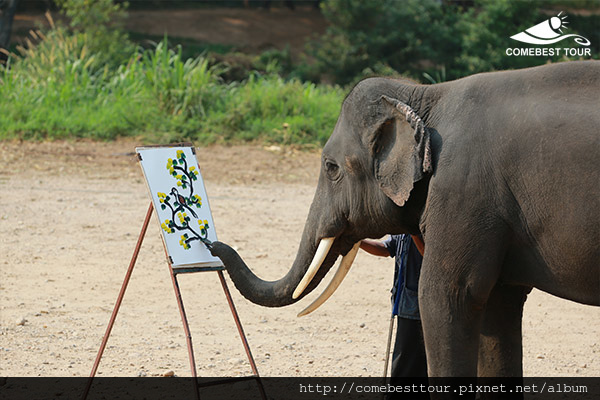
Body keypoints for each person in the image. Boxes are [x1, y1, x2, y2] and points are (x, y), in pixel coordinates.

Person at [360, 234, 428, 379]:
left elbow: (429, 256)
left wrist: (413, 233)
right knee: (405, 359)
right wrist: (358, 242)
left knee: (410, 362)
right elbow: (386, 249)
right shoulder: (402, 230)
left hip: (422, 307)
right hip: (404, 304)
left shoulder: (425, 228)